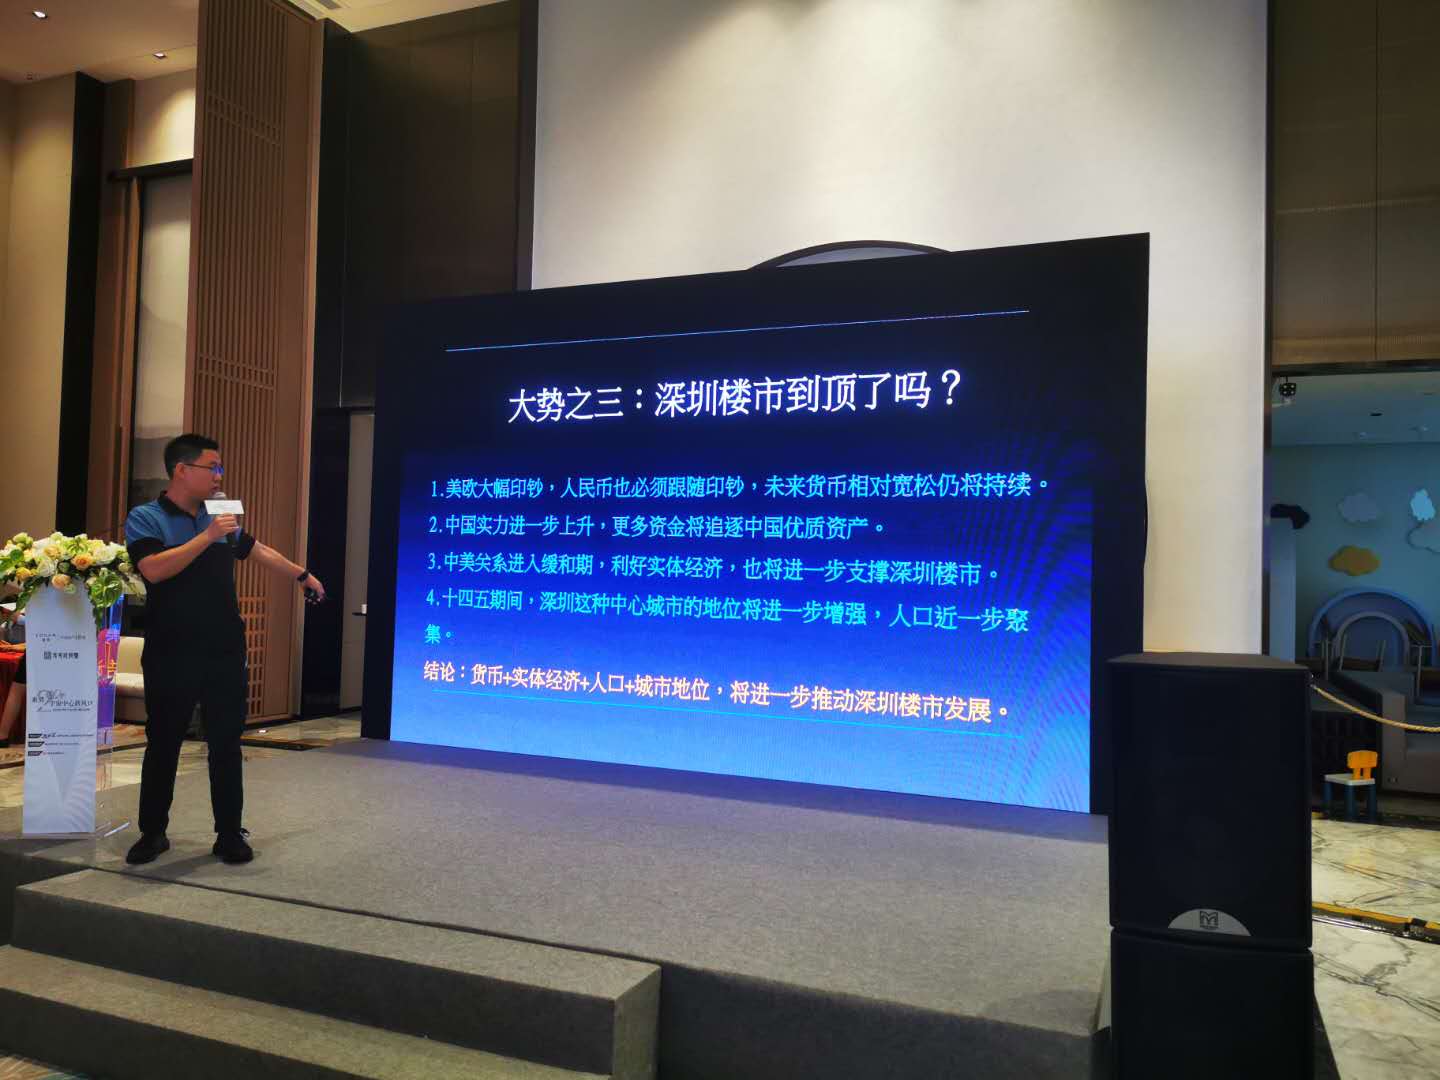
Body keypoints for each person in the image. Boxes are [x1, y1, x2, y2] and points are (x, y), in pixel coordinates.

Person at [122, 433, 325, 865]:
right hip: (171, 647)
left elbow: (255, 549)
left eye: (220, 468)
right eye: (212, 467)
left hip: (224, 646)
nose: (219, 476)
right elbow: (154, 570)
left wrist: (301, 574)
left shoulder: (219, 513)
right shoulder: (146, 517)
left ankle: (229, 833)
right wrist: (208, 535)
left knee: (226, 742)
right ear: (182, 470)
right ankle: (152, 833)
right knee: (164, 742)